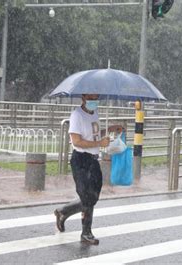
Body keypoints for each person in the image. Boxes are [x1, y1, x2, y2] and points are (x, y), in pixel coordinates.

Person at [54, 94, 122, 245]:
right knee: (86, 197)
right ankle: (86, 233)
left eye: (97, 97)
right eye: (92, 97)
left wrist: (109, 130)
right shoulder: (77, 115)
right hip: (81, 160)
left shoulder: (95, 113)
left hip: (93, 160)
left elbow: (94, 134)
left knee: (92, 197)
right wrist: (99, 143)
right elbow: (77, 141)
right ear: (84, 97)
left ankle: (63, 211)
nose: (95, 100)